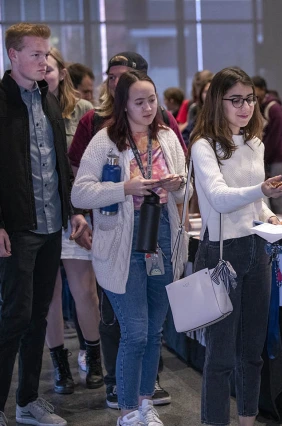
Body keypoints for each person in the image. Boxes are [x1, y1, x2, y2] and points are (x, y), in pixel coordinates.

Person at [71, 70, 189, 426]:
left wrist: (177, 184)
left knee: (154, 330)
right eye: (139, 102)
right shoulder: (105, 141)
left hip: (163, 234)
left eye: (152, 100)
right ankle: (126, 411)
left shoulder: (167, 138)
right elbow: (80, 193)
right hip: (122, 240)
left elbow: (186, 193)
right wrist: (126, 188)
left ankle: (144, 402)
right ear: (123, 105)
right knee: (135, 329)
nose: (149, 108)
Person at [189, 67, 282, 426]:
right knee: (220, 357)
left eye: (250, 99)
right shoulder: (204, 146)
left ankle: (247, 420)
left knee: (253, 352)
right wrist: (261, 193)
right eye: (236, 100)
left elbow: (251, 201)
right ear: (218, 101)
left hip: (257, 249)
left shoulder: (255, 144)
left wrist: (268, 212)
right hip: (220, 253)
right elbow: (218, 198)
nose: (245, 107)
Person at [0, 23, 90, 426]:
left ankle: (28, 401)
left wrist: (73, 209)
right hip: (16, 227)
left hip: (51, 224)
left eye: (46, 53)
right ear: (12, 56)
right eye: (35, 54)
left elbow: (59, 164)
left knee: (39, 316)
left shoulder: (48, 100)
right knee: (13, 317)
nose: (44, 60)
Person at [43, 47, 103, 394]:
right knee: (48, 295)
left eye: (49, 67)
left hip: (77, 215)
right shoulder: (24, 108)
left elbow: (90, 169)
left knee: (85, 291)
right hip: (39, 217)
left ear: (63, 72)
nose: (44, 73)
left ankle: (93, 357)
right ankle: (59, 363)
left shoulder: (85, 112)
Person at [252, 75, 282, 214]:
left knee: (278, 197)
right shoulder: (260, 107)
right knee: (271, 197)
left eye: (256, 92)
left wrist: (264, 156)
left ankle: (281, 228)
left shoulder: (274, 108)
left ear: (263, 89)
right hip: (269, 158)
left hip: (279, 158)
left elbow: (276, 135)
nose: (254, 96)